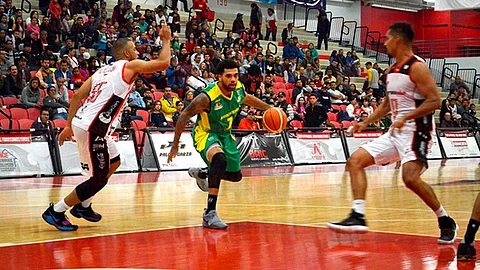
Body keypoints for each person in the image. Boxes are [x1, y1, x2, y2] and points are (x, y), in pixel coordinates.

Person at [326, 22, 458, 244]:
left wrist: (406, 117)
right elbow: (387, 104)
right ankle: (358, 215)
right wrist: (365, 122)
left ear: (398, 40)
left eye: (387, 38)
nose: (385, 42)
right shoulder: (391, 70)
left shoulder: (417, 67)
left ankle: (445, 220)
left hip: (418, 130)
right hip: (395, 131)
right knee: (355, 161)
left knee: (409, 178)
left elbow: (435, 101)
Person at [41, 26, 172, 231]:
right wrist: (166, 40)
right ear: (127, 54)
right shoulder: (129, 66)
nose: (138, 52)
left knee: (115, 162)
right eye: (135, 49)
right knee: (98, 179)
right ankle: (57, 211)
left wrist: (68, 126)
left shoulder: (102, 71)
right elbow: (163, 63)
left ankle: (84, 206)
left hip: (91, 124)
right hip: (93, 127)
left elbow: (76, 96)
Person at [167, 59, 271, 229]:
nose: (233, 79)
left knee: (236, 176)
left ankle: (203, 173)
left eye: (236, 76)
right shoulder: (206, 98)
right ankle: (210, 213)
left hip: (225, 134)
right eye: (228, 76)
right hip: (206, 133)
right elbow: (184, 115)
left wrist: (269, 108)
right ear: (219, 77)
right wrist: (175, 144)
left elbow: (246, 98)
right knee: (220, 160)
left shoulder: (238, 89)